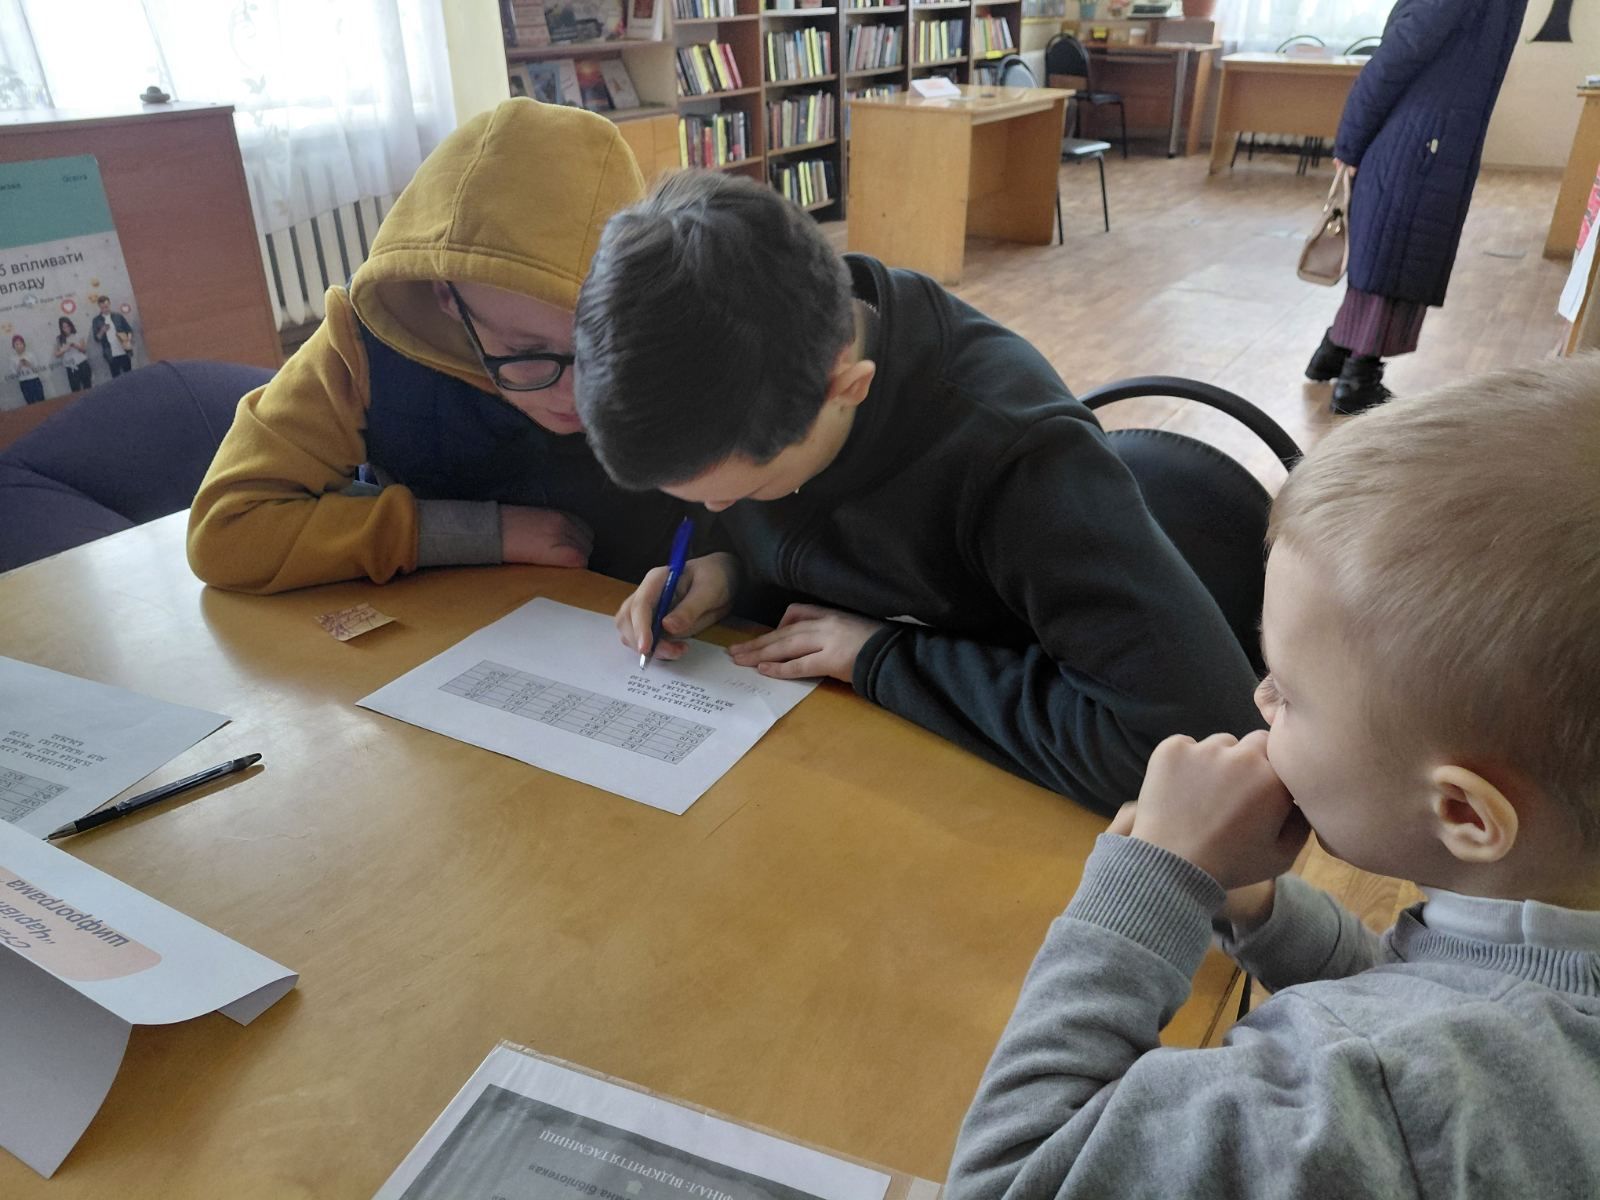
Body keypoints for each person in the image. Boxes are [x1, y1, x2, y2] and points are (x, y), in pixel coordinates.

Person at [945, 357, 1600, 1198]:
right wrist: (1262, 910)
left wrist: (1150, 886)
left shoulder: (1385, 1096)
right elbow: (1439, 998)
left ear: (1466, 815)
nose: (1258, 698)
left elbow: (1010, 1182)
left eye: (1288, 694)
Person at [574, 171, 1262, 815]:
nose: (716, 513)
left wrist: (880, 657)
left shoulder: (1015, 457)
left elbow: (1200, 747)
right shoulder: (761, 366)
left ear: (848, 388)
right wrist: (730, 573)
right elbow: (807, 533)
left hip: (1010, 806)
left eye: (749, 491)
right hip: (852, 760)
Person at [187, 99, 684, 595]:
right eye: (527, 350)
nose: (575, 392)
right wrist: (474, 533)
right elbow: (227, 528)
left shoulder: (681, 328)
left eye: (601, 343)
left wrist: (721, 572)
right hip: (454, 621)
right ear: (445, 295)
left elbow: (732, 513)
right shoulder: (361, 348)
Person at [1304, 0, 1527, 415]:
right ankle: (1358, 379)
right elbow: (1397, 54)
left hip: (1428, 132)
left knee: (1391, 249)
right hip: (1423, 136)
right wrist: (1350, 140)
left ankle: (1335, 352)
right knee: (1397, 254)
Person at [91, 296, 135, 378]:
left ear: (109, 304)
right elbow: (97, 338)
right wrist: (102, 331)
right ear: (99, 307)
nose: (105, 309)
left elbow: (129, 330)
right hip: (110, 354)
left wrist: (128, 340)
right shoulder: (96, 320)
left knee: (129, 376)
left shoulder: (118, 316)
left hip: (124, 350)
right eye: (102, 308)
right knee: (116, 378)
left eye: (106, 306)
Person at [53, 316, 92, 392]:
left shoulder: (77, 335)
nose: (67, 329)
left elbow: (84, 350)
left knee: (88, 387)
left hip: (82, 364)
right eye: (64, 327)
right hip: (71, 367)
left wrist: (75, 345)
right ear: (61, 329)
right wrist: (64, 350)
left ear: (71, 325)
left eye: (68, 326)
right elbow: (56, 354)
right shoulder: (59, 339)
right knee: (75, 390)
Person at [11, 335, 45, 405]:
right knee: (30, 403)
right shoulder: (13, 359)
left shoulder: (30, 355)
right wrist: (19, 366)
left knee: (41, 401)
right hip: (24, 383)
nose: (19, 346)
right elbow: (14, 374)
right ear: (14, 346)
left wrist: (29, 364)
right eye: (16, 344)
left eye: (21, 343)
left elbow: (37, 369)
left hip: (34, 380)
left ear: (24, 344)